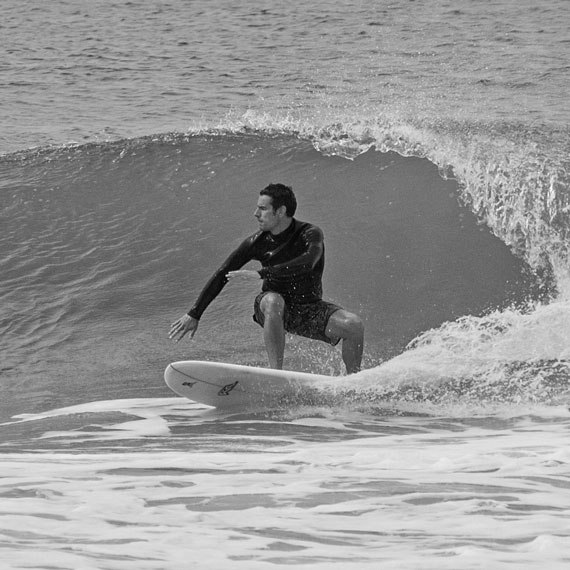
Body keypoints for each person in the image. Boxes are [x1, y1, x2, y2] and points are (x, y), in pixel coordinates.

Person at [169, 183, 364, 374]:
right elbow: (222, 274)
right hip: (271, 308)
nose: (256, 213)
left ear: (280, 211)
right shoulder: (256, 242)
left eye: (262, 208)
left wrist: (262, 273)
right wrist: (195, 313)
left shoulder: (310, 234)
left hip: (308, 309)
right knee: (273, 300)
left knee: (353, 325)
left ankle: (352, 382)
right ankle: (275, 375)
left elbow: (307, 263)